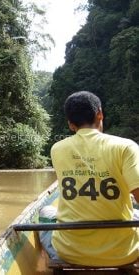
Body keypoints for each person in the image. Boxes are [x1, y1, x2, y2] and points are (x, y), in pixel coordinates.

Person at [42, 91, 139, 266]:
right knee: (135, 213)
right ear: (100, 114)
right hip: (123, 253)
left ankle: (56, 256)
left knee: (44, 212)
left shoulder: (57, 149)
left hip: (71, 253)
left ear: (71, 125)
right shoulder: (126, 147)